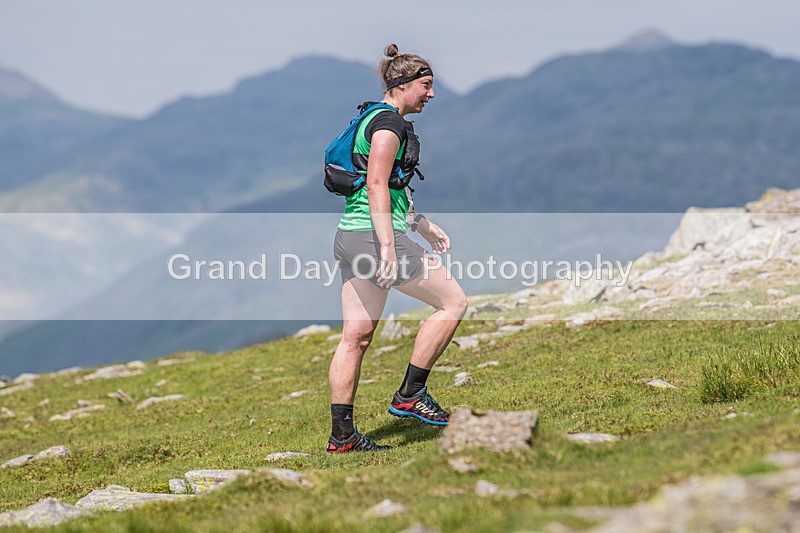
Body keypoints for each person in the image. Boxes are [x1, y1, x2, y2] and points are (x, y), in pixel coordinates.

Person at [327, 44, 468, 453]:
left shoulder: (368, 117)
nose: (431, 94)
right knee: (453, 303)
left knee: (355, 336)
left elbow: (388, 189)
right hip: (374, 240)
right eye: (426, 85)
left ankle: (342, 437)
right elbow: (375, 185)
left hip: (350, 237)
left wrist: (421, 223)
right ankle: (411, 393)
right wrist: (389, 249)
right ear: (403, 84)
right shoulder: (388, 125)